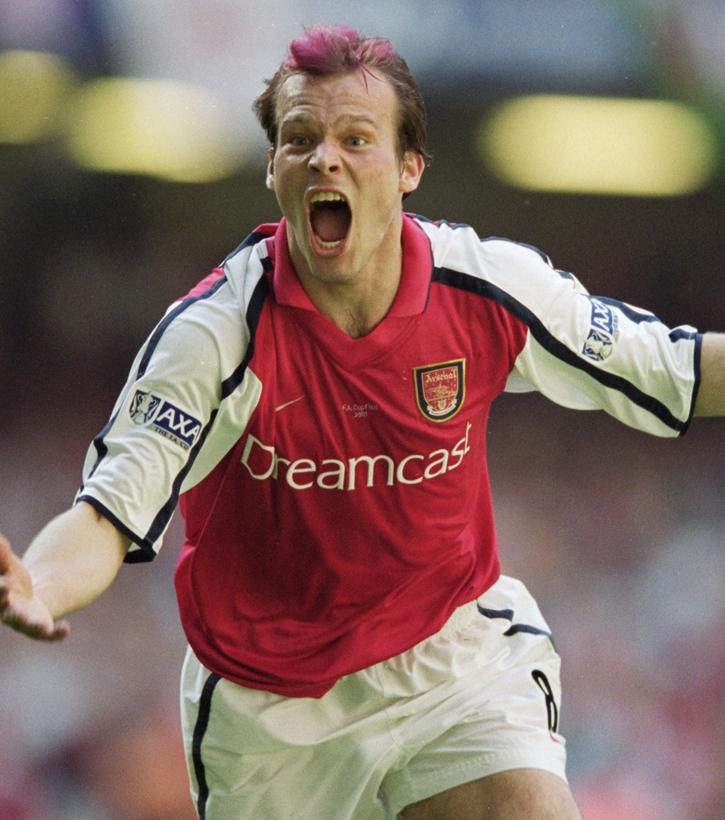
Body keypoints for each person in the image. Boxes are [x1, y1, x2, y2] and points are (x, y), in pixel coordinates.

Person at [1, 24, 723, 820]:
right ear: (273, 168)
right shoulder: (213, 334)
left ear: (409, 168)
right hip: (270, 713)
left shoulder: (487, 288)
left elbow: (675, 369)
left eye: (354, 138)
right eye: (299, 139)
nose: (324, 159)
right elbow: (106, 513)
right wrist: (41, 584)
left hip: (450, 661)